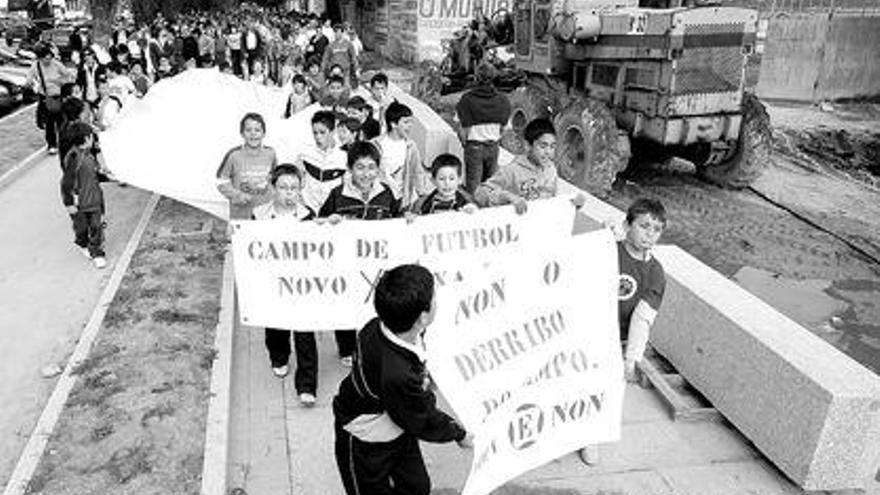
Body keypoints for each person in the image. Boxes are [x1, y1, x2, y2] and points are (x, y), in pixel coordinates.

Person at [332, 263, 472, 495]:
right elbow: (422, 416)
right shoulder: (397, 374)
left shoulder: (378, 325)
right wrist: (459, 434)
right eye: (434, 298)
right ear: (423, 317)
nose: (437, 300)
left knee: (416, 487)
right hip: (364, 439)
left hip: (397, 424)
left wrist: (425, 375)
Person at [579, 197, 667, 466]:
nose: (649, 235)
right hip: (587, 330)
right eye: (643, 226)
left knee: (607, 389)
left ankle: (591, 436)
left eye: (656, 229)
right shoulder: (609, 249)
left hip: (619, 340)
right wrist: (600, 236)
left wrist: (632, 358)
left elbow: (643, 317)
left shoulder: (655, 273)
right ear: (627, 225)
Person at [319, 142, 403, 367]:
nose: (366, 173)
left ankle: (379, 346)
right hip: (347, 265)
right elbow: (319, 224)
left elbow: (400, 221)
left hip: (378, 266)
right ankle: (346, 347)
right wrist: (329, 222)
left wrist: (409, 220)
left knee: (378, 305)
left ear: (378, 169)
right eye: (360, 167)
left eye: (371, 167)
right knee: (346, 304)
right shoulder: (337, 195)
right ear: (349, 169)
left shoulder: (387, 194)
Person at [253, 164, 322, 406]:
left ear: (300, 189)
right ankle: (279, 357)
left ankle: (307, 385)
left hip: (301, 284)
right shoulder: (259, 215)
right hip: (273, 283)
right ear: (273, 188)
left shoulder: (308, 215)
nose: (288, 193)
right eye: (283, 187)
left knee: (305, 334)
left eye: (294, 188)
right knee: (276, 326)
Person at [474, 117, 558, 214]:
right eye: (543, 146)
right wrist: (507, 197)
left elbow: (553, 199)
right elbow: (480, 194)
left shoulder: (551, 169)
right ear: (527, 146)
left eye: (552, 146)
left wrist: (571, 203)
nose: (548, 152)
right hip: (518, 225)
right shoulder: (511, 171)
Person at [455, 63, 511, 193]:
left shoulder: (467, 99)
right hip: (493, 147)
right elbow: (504, 129)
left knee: (474, 189)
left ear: (476, 78)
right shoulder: (503, 100)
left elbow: (461, 129)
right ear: (494, 77)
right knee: (491, 188)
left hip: (474, 147)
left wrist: (466, 144)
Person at [60, 122, 109, 268]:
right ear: (87, 138)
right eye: (92, 137)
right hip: (79, 203)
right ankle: (82, 243)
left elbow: (93, 175)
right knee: (81, 228)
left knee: (96, 226)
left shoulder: (89, 155)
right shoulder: (74, 158)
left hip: (94, 200)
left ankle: (97, 252)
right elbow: (66, 183)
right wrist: (69, 203)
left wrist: (106, 176)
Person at [216, 112, 278, 220]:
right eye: (248, 130)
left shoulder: (271, 154)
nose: (253, 134)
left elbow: (275, 178)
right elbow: (221, 181)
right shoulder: (234, 155)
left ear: (264, 133)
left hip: (265, 215)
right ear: (242, 133)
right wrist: (236, 195)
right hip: (241, 215)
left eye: (257, 130)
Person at [372, 101, 429, 210]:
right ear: (393, 124)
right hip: (379, 198)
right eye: (406, 122)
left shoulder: (411, 146)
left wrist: (422, 194)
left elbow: (418, 171)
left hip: (402, 200)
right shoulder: (375, 144)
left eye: (411, 122)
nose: (410, 126)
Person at [27, 43, 74, 154]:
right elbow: (29, 79)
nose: (48, 61)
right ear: (40, 58)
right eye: (46, 59)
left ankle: (64, 143)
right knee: (49, 123)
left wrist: (60, 82)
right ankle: (51, 144)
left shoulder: (57, 64)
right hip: (45, 98)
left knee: (61, 122)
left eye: (50, 58)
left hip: (58, 96)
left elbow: (68, 76)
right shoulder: (36, 66)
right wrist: (29, 84)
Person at [297, 110, 347, 213]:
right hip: (308, 211)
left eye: (322, 132)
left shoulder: (344, 157)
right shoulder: (304, 154)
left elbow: (347, 188)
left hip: (333, 212)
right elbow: (296, 182)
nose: (318, 137)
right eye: (315, 133)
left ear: (333, 131)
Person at [411, 154, 477, 215]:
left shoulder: (466, 204)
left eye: (451, 178)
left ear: (459, 180)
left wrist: (470, 212)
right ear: (433, 180)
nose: (447, 183)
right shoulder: (423, 203)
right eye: (442, 179)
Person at [321, 23, 358, 88]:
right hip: (333, 72)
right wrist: (323, 70)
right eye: (334, 32)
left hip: (345, 71)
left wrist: (355, 68)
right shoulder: (330, 46)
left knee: (346, 87)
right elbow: (325, 59)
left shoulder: (348, 44)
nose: (336, 34)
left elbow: (353, 57)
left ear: (342, 32)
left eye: (338, 32)